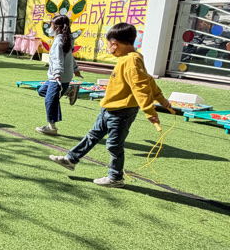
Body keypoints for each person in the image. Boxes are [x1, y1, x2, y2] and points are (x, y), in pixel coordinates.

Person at [49, 22, 176, 187]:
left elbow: (141, 87)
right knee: (93, 135)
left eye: (108, 45)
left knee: (114, 145)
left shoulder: (132, 61)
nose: (109, 48)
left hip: (122, 112)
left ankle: (115, 177)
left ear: (115, 44)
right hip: (108, 108)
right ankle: (71, 159)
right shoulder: (129, 59)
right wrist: (162, 99)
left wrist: (149, 111)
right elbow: (149, 81)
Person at [35, 14, 82, 135]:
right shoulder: (66, 39)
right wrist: (75, 69)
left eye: (51, 25)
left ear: (57, 27)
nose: (49, 27)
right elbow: (70, 57)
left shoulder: (59, 41)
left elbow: (58, 59)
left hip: (58, 77)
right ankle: (69, 91)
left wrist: (57, 73)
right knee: (42, 91)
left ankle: (52, 127)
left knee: (50, 100)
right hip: (61, 76)